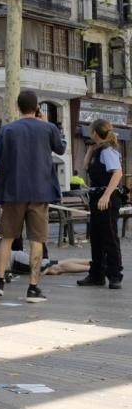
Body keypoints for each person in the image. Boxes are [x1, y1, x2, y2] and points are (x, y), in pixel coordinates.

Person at [0, 90, 65, 302]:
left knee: (6, 237)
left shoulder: (7, 130)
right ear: (37, 107)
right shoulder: (48, 128)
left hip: (12, 191)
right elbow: (61, 148)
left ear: (18, 107)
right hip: (40, 191)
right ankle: (33, 287)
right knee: (37, 240)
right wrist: (46, 122)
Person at [78, 119, 124, 289]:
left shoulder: (108, 151)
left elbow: (117, 173)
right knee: (96, 237)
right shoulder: (98, 150)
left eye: (91, 131)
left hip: (107, 197)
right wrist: (90, 149)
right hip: (97, 196)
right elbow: (84, 166)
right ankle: (97, 274)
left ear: (95, 133)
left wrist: (106, 195)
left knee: (109, 237)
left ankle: (115, 275)